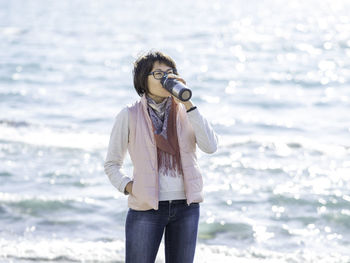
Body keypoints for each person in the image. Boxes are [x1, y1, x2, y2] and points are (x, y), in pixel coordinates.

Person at [104, 50, 218, 263]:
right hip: (146, 209)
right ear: (142, 79)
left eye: (170, 73)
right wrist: (130, 187)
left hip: (187, 207)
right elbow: (112, 164)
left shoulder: (187, 113)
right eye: (158, 74)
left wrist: (188, 104)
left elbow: (210, 146)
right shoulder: (129, 115)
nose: (166, 78)